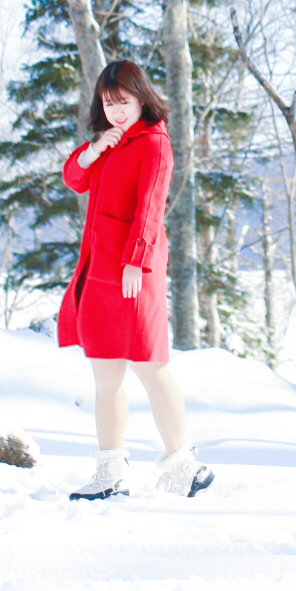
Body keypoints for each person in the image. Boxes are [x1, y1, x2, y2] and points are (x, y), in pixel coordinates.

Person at [58, 60, 214, 501]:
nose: (116, 112)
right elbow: (75, 179)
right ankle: (110, 472)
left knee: (151, 366)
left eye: (123, 102)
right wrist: (93, 148)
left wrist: (135, 261)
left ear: (142, 98)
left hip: (134, 272)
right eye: (108, 104)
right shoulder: (112, 142)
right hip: (102, 270)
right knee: (105, 376)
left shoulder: (153, 142)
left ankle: (184, 466)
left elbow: (150, 206)